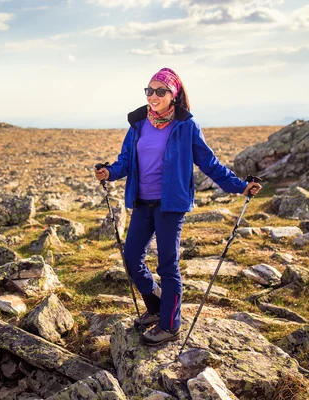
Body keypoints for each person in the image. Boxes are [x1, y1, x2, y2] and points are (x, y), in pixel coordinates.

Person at [94, 67, 261, 346]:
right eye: (149, 90)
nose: (154, 96)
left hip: (171, 205)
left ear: (174, 95)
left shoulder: (186, 126)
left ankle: (170, 325)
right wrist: (109, 172)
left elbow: (210, 163)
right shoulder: (138, 124)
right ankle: (157, 305)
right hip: (142, 202)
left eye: (161, 91)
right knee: (132, 258)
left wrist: (239, 186)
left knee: (167, 266)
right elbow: (125, 160)